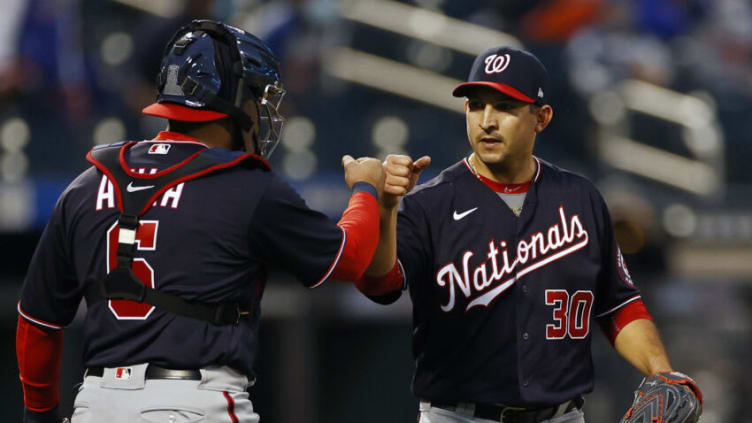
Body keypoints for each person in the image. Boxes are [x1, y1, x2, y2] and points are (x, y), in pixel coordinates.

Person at [16, 20, 385, 423]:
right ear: (232, 99)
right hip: (192, 402)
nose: (261, 112)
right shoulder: (244, 184)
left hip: (96, 402)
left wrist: (40, 416)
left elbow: (37, 321)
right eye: (257, 97)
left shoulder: (89, 181)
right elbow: (351, 259)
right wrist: (366, 189)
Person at [359, 46, 703, 423]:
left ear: (541, 118)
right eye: (477, 105)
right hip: (459, 417)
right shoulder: (430, 203)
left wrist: (661, 372)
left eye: (505, 107)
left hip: (561, 416)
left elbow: (618, 304)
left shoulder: (579, 198)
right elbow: (381, 286)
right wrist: (386, 210)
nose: (487, 120)